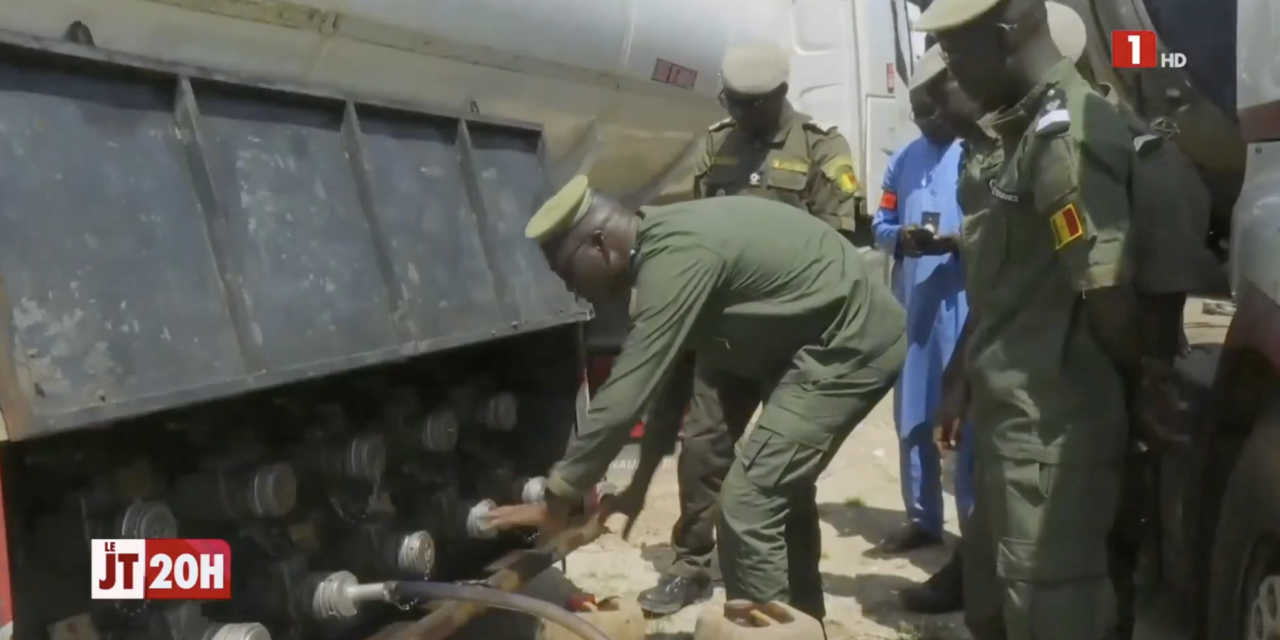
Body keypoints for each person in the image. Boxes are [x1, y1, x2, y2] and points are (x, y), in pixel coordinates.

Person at [484, 175, 906, 625]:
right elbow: (669, 383)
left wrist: (556, 500)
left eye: (568, 272)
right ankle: (805, 623)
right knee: (779, 492)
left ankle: (765, 632)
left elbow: (626, 392)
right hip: (793, 345)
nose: (570, 287)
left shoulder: (676, 260)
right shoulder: (663, 246)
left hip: (850, 345)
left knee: (748, 505)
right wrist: (639, 485)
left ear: (601, 244)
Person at [915, 0, 1159, 636]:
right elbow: (1012, 285)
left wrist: (1132, 395)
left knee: (1052, 615)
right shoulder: (1026, 132)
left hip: (1052, 432)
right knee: (1001, 611)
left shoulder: (1065, 135)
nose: (952, 73)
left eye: (957, 51)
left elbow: (1106, 297)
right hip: (1016, 423)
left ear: (1006, 33)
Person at [635, 42, 867, 616]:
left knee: (784, 467)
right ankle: (690, 565)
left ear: (778, 97)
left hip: (793, 339)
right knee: (704, 449)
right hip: (727, 333)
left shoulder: (822, 150)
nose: (738, 114)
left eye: (748, 104)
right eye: (731, 102)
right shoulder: (719, 144)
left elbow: (839, 250)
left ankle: (798, 587)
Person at [895, 2, 1087, 615]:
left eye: (945, 80)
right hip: (999, 351)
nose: (932, 108)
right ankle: (970, 577)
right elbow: (997, 277)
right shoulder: (986, 157)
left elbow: (1100, 283)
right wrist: (960, 376)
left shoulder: (1061, 140)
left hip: (1055, 371)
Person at [870, 45, 975, 560]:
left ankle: (975, 532)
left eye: (931, 111)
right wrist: (901, 240)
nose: (925, 122)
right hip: (916, 312)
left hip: (967, 306)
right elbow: (880, 222)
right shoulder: (902, 161)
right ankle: (922, 520)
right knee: (913, 418)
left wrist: (956, 242)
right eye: (916, 114)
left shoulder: (977, 154)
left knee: (968, 420)